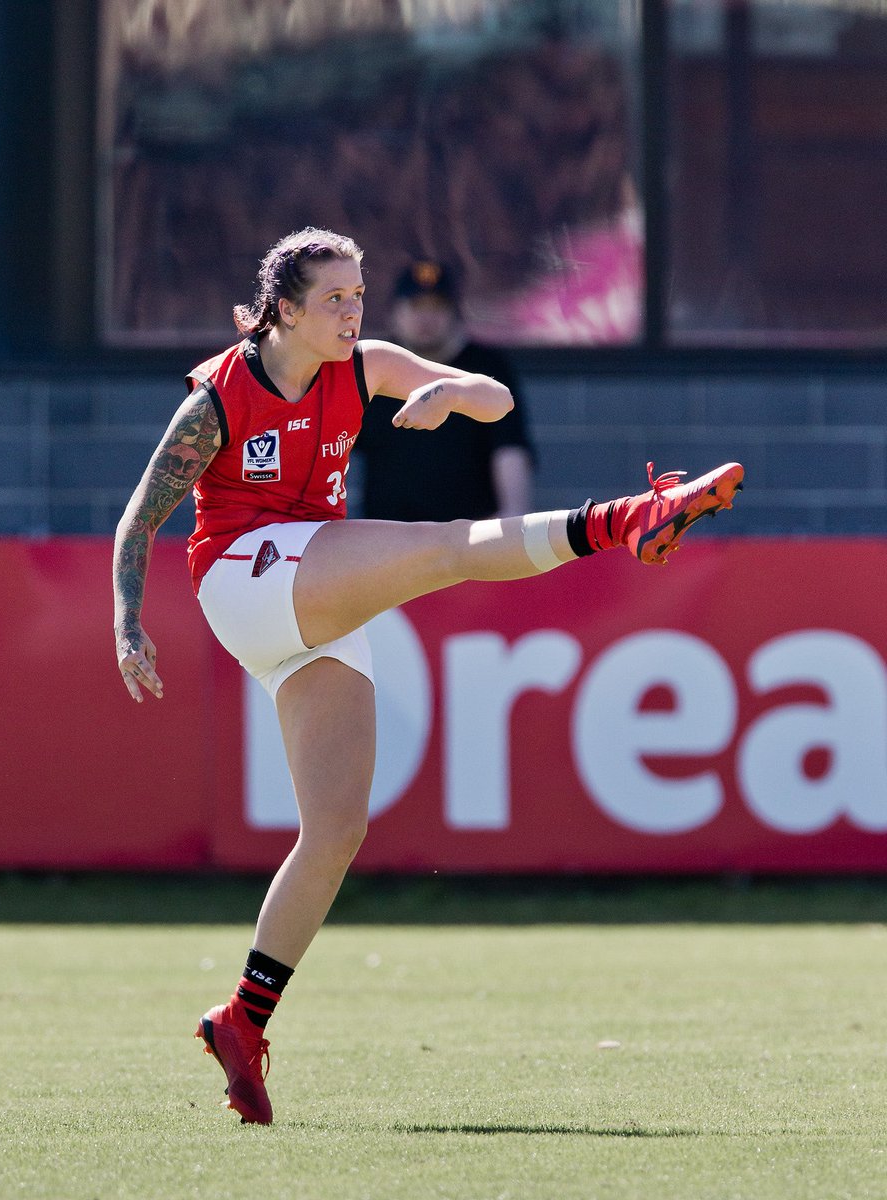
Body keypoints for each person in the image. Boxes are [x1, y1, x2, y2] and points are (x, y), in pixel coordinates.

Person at [112, 226, 744, 1127]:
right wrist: (127, 622)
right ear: (283, 310)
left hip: (306, 591)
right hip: (243, 576)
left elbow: (493, 398)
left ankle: (242, 1021)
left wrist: (449, 390)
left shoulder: (363, 363)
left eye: (358, 296)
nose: (353, 311)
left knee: (335, 831)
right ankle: (631, 516)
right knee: (446, 547)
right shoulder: (218, 398)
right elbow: (140, 519)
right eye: (334, 299)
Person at [355, 260, 534, 520]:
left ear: (455, 312)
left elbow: (510, 448)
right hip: (387, 539)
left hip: (467, 536)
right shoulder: (374, 366)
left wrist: (513, 515)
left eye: (437, 306)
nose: (426, 317)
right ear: (395, 312)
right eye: (416, 306)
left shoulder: (486, 368)